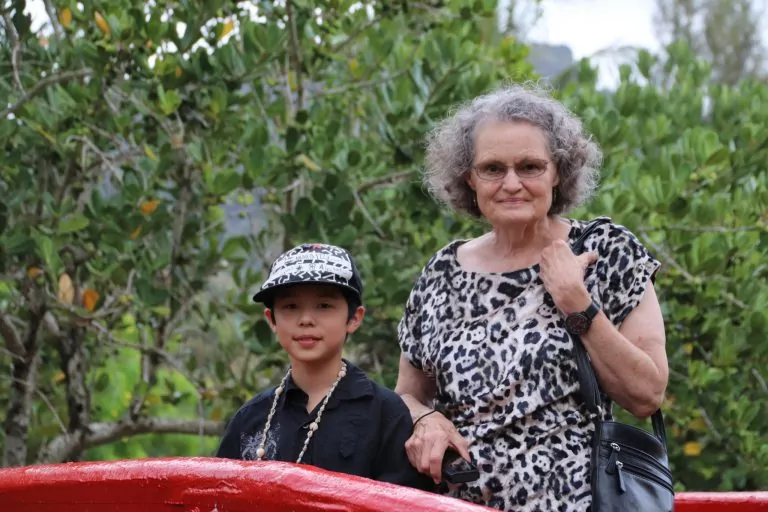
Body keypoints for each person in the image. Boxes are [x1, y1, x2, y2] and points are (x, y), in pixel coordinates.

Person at [394, 84, 669, 511]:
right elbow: (407, 395)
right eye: (492, 168)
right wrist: (424, 418)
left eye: (529, 167)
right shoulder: (440, 274)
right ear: (468, 177)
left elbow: (646, 395)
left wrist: (577, 303)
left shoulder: (605, 250)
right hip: (458, 505)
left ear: (558, 172)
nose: (511, 184)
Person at [217, 243, 432, 491]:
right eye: (290, 307)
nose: (306, 319)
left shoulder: (386, 414)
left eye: (324, 306)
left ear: (354, 318)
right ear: (271, 320)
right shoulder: (251, 418)